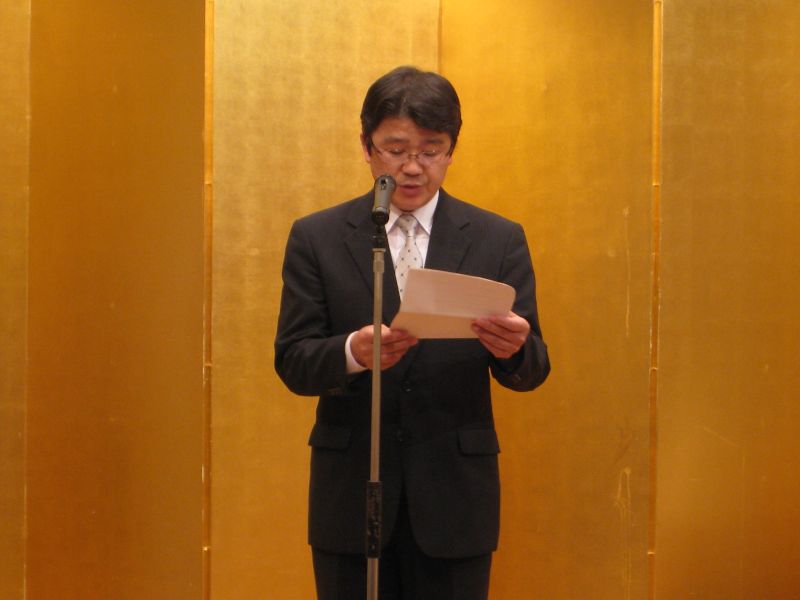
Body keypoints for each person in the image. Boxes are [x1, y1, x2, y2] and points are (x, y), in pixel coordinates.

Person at [274, 66, 550, 600]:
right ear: (367, 147)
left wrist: (515, 350)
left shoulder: (497, 239)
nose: (412, 167)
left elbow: (533, 368)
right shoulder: (317, 237)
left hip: (455, 496)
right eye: (396, 150)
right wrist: (352, 352)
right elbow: (293, 360)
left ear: (452, 150)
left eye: (430, 150)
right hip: (351, 492)